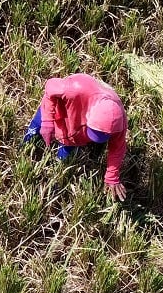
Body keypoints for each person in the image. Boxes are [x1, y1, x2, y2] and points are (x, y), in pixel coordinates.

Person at [23, 73, 129, 201]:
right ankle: (23, 150)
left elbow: (117, 148)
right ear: (90, 115)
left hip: (76, 137)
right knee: (33, 135)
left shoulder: (119, 122)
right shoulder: (76, 88)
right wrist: (47, 121)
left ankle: (54, 187)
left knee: (64, 161)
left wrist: (112, 177)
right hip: (60, 114)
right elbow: (50, 88)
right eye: (95, 131)